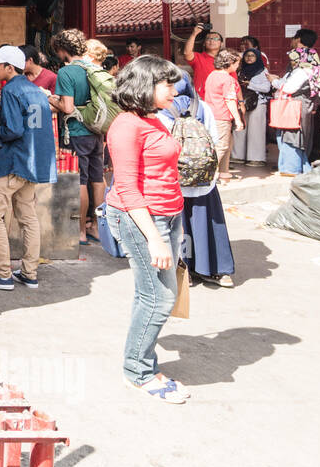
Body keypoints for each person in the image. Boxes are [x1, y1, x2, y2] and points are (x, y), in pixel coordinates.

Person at [104, 55, 189, 404]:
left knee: (151, 295)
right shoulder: (126, 125)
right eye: (165, 83)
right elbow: (125, 186)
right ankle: (137, 371)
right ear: (143, 86)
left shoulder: (155, 119)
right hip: (140, 218)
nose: (174, 89)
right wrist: (155, 237)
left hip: (168, 215)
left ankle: (144, 362)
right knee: (160, 298)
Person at [0, 46, 57, 291]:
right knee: (28, 218)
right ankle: (29, 272)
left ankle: (2, 273)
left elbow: (13, 131)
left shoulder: (10, 90)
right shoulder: (36, 91)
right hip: (33, 163)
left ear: (9, 68)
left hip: (13, 162)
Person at [161, 76, 235, 288]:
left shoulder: (163, 110)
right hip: (205, 180)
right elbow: (214, 138)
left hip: (176, 178)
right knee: (209, 224)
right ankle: (219, 270)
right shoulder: (203, 106)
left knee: (179, 226)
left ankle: (185, 271)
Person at [48, 28, 104, 245]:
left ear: (63, 49)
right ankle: (98, 228)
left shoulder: (67, 72)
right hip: (97, 131)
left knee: (80, 181)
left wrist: (53, 100)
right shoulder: (95, 68)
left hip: (77, 132)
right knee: (97, 180)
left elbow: (68, 107)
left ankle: (80, 231)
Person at [277, 28, 320, 175]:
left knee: (292, 136)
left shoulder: (303, 69)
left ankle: (291, 168)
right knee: (301, 137)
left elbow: (289, 87)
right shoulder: (314, 66)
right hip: (305, 106)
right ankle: (302, 167)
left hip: (296, 106)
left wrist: (274, 82)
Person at [203, 49, 245, 182]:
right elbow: (230, 100)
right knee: (221, 146)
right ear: (230, 63)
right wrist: (238, 120)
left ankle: (224, 172)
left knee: (226, 144)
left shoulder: (212, 75)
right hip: (222, 116)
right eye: (237, 63)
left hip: (211, 114)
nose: (238, 66)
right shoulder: (228, 79)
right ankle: (208, 175)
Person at [235, 48, 275, 166]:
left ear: (257, 57)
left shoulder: (263, 71)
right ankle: (237, 156)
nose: (249, 58)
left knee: (256, 131)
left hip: (258, 103)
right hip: (243, 102)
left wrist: (250, 84)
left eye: (252, 56)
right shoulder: (240, 70)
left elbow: (266, 88)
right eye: (247, 56)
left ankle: (256, 158)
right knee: (240, 130)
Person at [183, 23, 224, 94]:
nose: (212, 41)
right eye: (208, 39)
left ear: (221, 43)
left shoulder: (226, 60)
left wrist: (240, 101)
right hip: (202, 98)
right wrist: (194, 34)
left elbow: (234, 81)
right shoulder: (198, 57)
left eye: (215, 39)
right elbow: (187, 53)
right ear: (204, 43)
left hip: (221, 98)